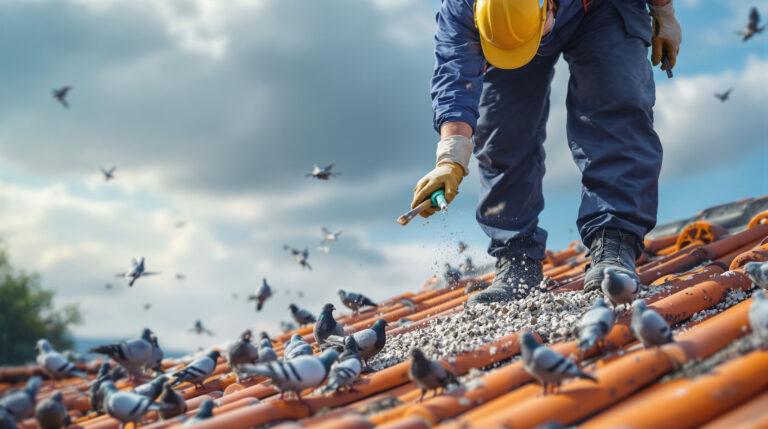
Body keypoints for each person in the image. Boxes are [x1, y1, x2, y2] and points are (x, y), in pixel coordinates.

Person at [411, 0, 681, 305]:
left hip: (601, 7)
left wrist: (663, 11)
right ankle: (516, 258)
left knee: (616, 102)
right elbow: (455, 74)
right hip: (512, 26)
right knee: (502, 129)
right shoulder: (463, 8)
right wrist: (451, 158)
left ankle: (614, 242)